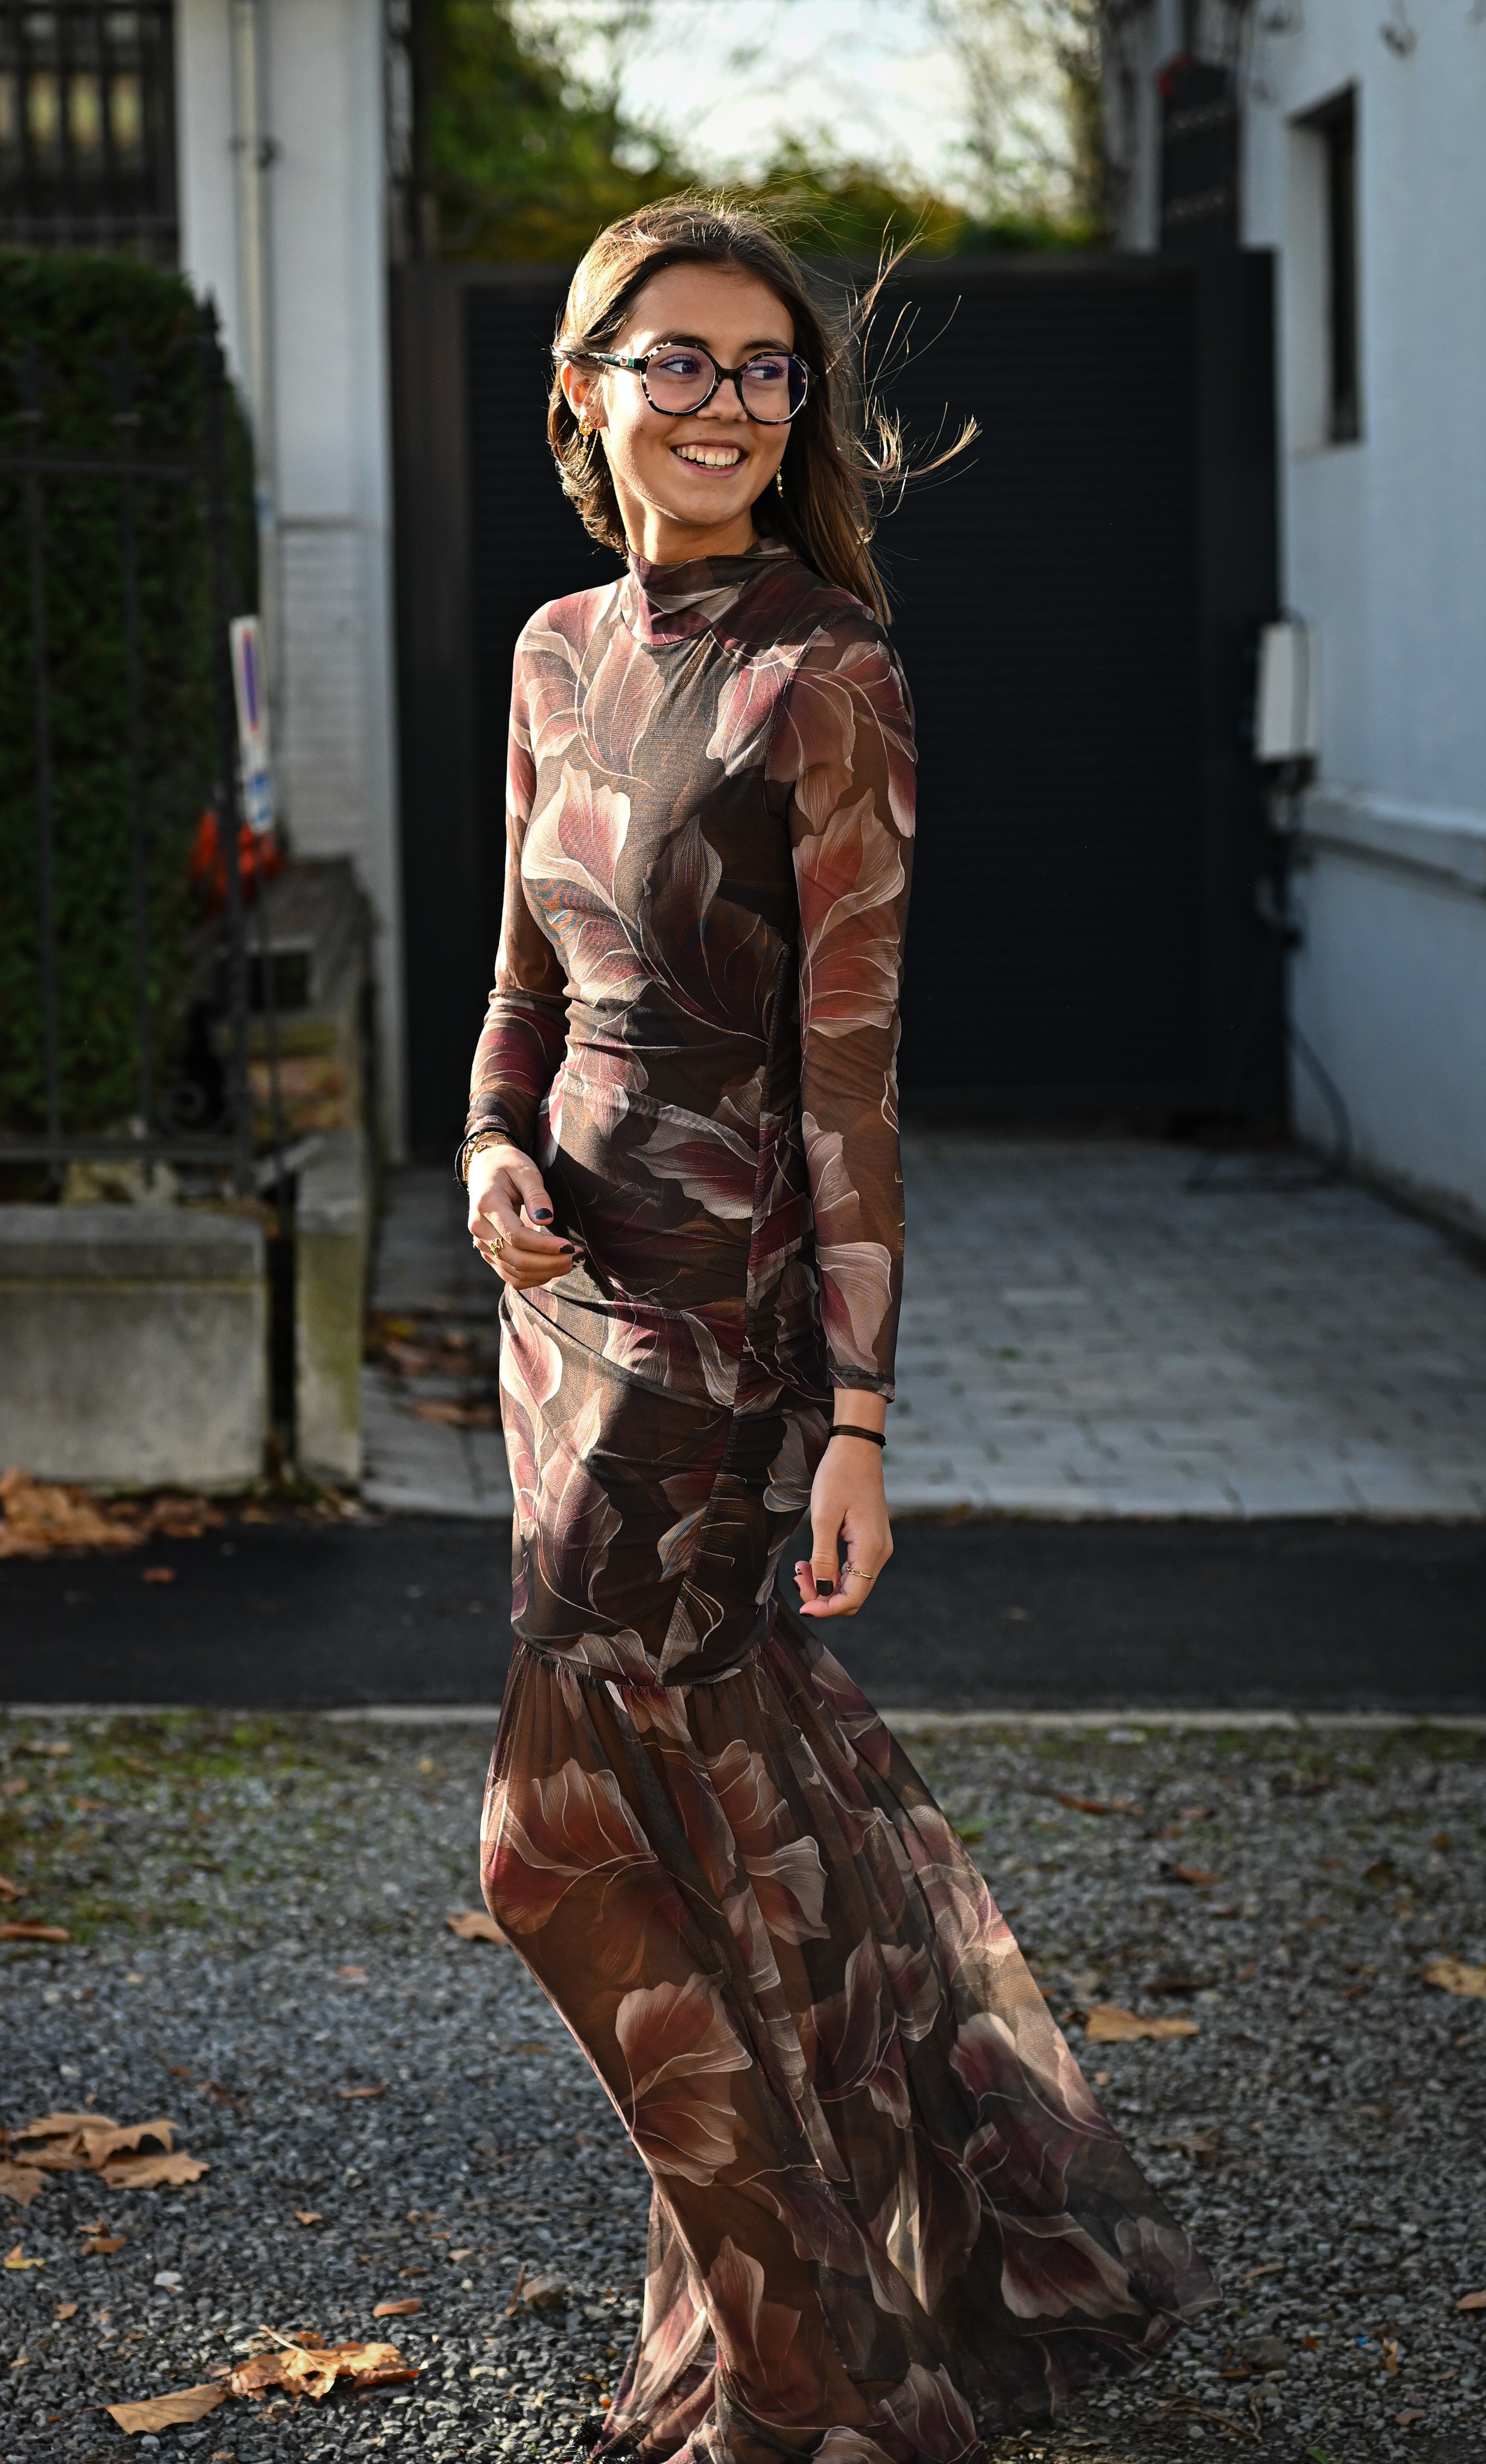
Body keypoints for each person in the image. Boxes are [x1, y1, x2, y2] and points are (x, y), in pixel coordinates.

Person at [459, 195, 1215, 2464]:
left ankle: (808, 2363)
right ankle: (843, 2318)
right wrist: (487, 1155)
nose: (724, 403)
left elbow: (851, 1075)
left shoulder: (830, 674)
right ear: (583, 388)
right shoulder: (553, 652)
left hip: (715, 1332)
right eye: (676, 360)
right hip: (555, 1314)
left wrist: (859, 1417)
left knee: (543, 1850)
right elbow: (519, 987)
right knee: (724, 1836)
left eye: (764, 368)